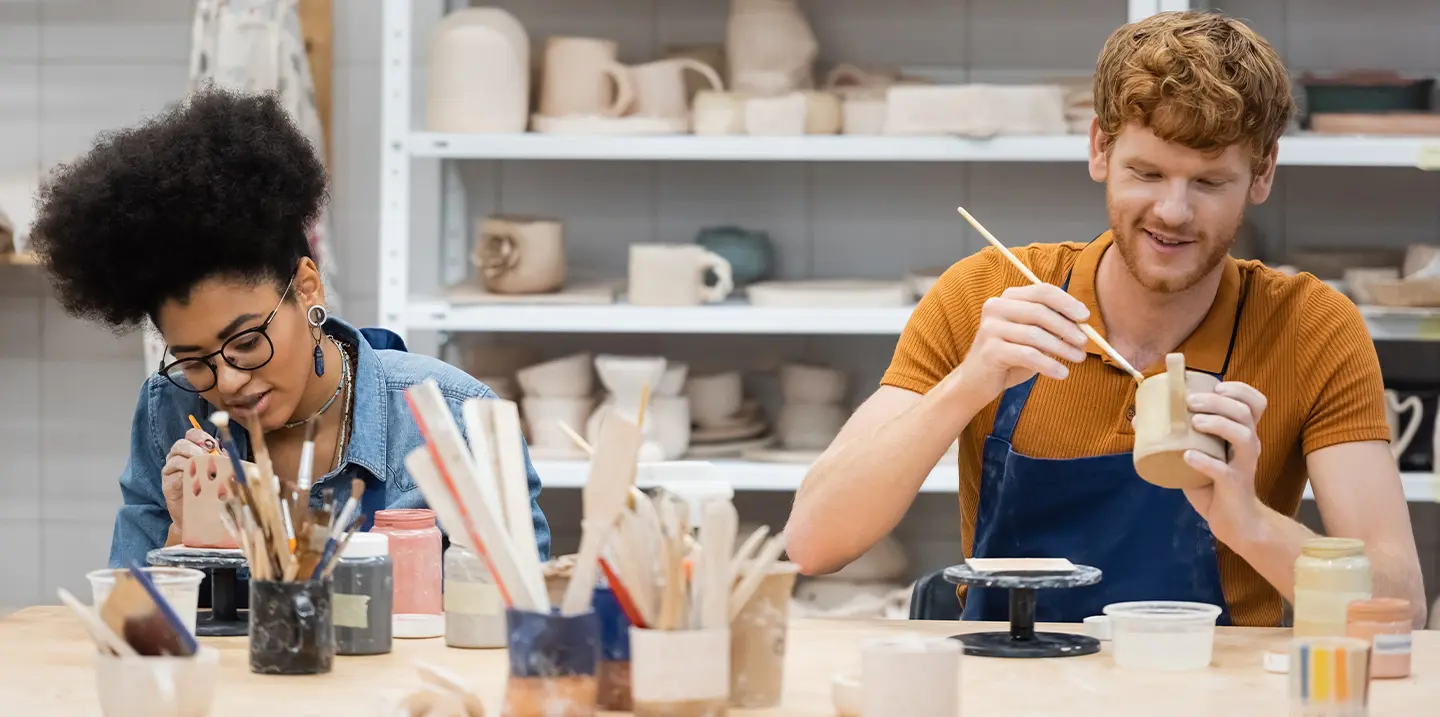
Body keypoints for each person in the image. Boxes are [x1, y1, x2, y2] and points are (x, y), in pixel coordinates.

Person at [786, 11, 1427, 628]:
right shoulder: (987, 294)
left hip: (1212, 692)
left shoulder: (1311, 327)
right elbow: (814, 545)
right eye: (1146, 173)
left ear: (1262, 174)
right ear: (1099, 148)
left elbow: (1399, 607)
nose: (1172, 212)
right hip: (1009, 685)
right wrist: (968, 385)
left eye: (1208, 183)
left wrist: (1249, 523)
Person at [28, 87, 553, 568]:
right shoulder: (170, 408)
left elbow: (520, 626)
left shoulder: (453, 419)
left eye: (248, 341)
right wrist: (183, 542)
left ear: (307, 289)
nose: (227, 382)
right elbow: (133, 627)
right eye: (192, 360)